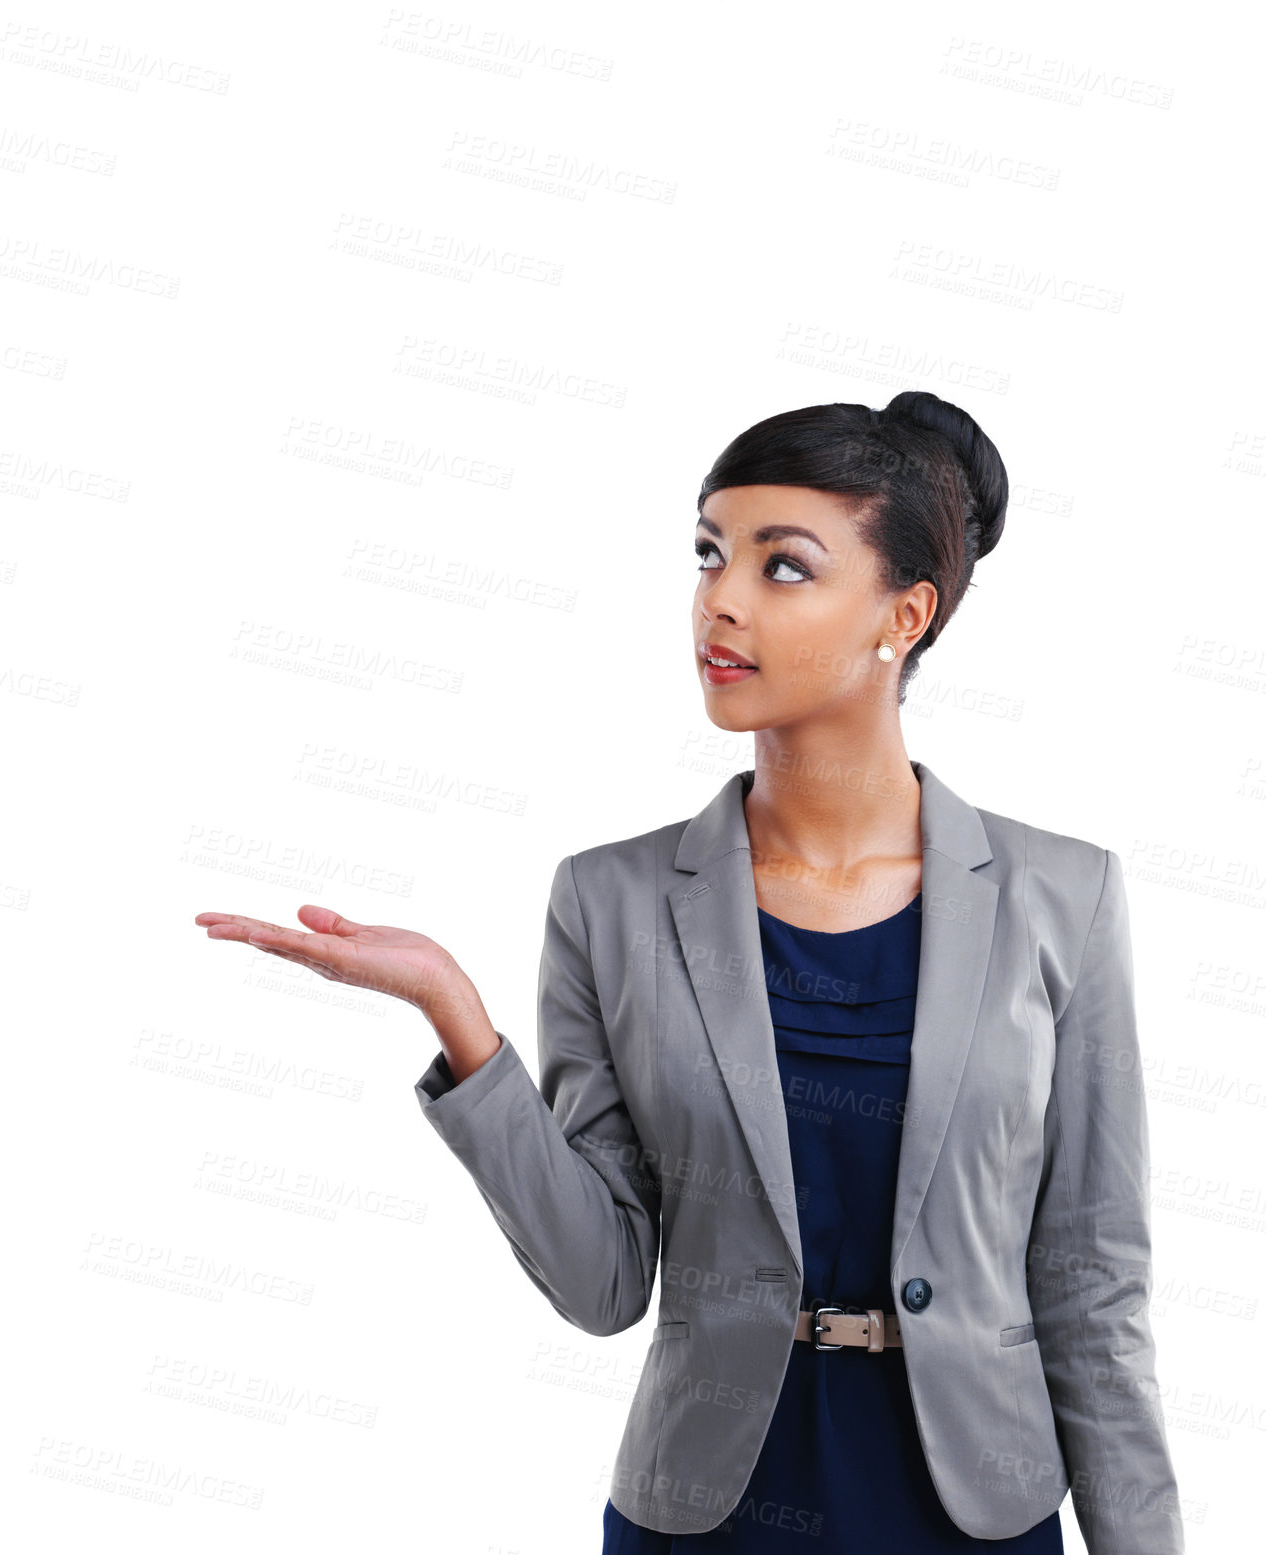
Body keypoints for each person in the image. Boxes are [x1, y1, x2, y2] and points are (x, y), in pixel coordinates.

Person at [195, 392, 1185, 1553]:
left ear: (903, 615)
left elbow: (1091, 1289)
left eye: (783, 567)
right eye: (710, 554)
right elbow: (603, 1282)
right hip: (704, 1515)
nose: (718, 598)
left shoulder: (1061, 898)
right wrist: (458, 1020)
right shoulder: (607, 903)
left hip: (974, 1511)